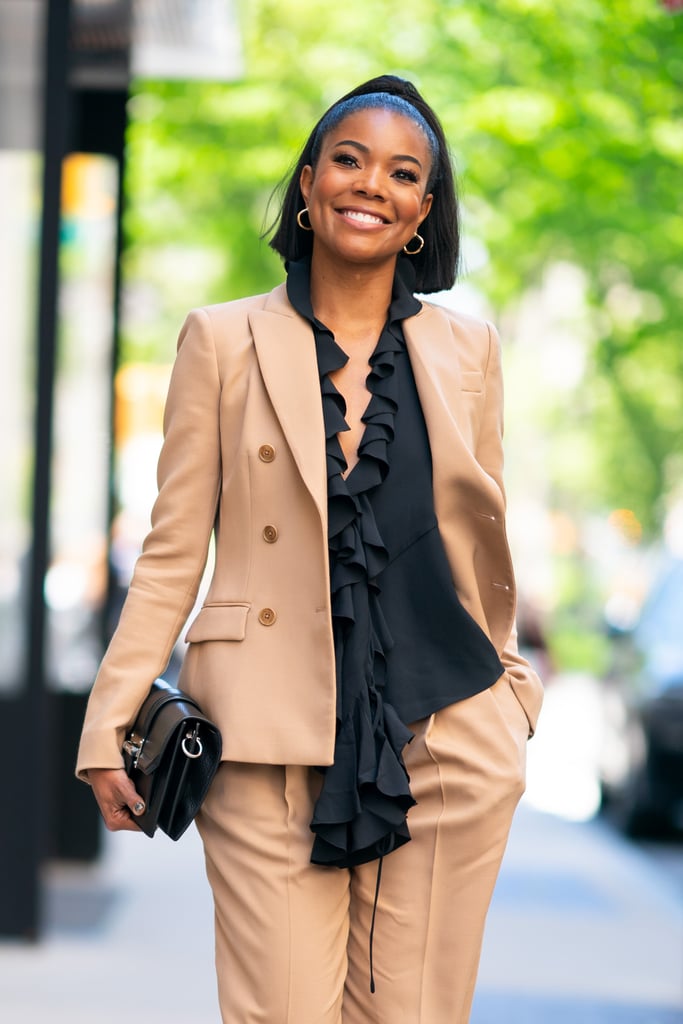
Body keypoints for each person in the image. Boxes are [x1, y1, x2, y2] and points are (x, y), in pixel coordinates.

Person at [77, 74, 543, 1024]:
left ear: (421, 210)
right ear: (306, 182)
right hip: (264, 743)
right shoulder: (221, 340)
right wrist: (106, 723)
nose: (372, 183)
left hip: (447, 738)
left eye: (402, 173)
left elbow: (481, 535)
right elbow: (172, 553)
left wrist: (508, 688)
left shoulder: (468, 352)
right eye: (349, 158)